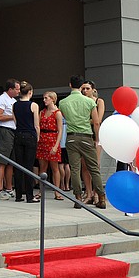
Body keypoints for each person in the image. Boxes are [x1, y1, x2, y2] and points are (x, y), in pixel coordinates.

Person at [59, 75, 106, 209]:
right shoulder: (89, 102)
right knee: (93, 168)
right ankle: (101, 197)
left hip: (71, 137)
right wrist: (97, 138)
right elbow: (96, 122)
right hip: (86, 136)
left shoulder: (63, 102)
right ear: (81, 86)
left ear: (70, 85)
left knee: (75, 169)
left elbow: (65, 117)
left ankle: (78, 197)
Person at [12, 81, 39, 203]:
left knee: (18, 165)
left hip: (18, 134)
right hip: (30, 135)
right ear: (29, 92)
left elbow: (15, 122)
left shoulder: (15, 105)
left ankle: (18, 195)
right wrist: (37, 137)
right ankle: (29, 195)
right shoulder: (33, 105)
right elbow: (36, 125)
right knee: (29, 166)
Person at [0, 78, 20, 200]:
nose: (19, 91)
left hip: (13, 131)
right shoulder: (1, 99)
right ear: (10, 89)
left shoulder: (14, 100)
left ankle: (9, 188)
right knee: (2, 161)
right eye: (17, 89)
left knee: (11, 162)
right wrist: (12, 116)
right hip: (4, 131)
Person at [80, 80, 105, 204]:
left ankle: (97, 193)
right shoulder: (80, 102)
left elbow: (98, 120)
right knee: (84, 166)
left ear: (92, 89)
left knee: (95, 166)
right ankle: (88, 193)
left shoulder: (98, 102)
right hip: (84, 135)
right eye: (83, 89)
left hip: (95, 136)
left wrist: (84, 120)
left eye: (87, 88)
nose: (85, 91)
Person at [37, 91, 64, 200]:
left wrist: (56, 145)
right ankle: (40, 190)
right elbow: (38, 126)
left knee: (55, 168)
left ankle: (57, 191)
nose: (44, 100)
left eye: (46, 98)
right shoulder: (41, 112)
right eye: (44, 98)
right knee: (42, 167)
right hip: (43, 139)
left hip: (52, 138)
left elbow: (60, 130)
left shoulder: (57, 113)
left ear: (53, 99)